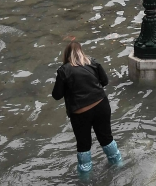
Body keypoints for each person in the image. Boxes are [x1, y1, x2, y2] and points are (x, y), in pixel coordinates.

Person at [52, 41, 122, 176]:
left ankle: (85, 178)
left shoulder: (63, 70)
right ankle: (118, 164)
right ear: (81, 52)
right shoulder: (93, 62)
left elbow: (57, 95)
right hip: (101, 105)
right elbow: (105, 81)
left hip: (80, 113)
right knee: (106, 138)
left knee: (83, 145)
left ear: (66, 55)